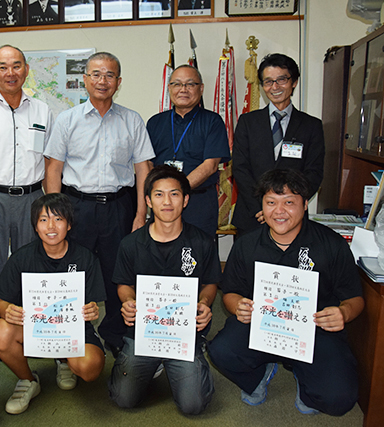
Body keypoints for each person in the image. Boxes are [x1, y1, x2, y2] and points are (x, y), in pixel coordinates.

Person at [208, 169, 363, 416]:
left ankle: (304, 374)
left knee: (339, 399)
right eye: (271, 203)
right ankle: (260, 374)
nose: (279, 211)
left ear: (304, 204)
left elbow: (355, 297)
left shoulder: (331, 244)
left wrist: (343, 312)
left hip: (314, 331)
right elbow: (230, 292)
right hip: (263, 327)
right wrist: (237, 305)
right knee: (220, 350)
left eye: (289, 202)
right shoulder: (247, 244)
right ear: (262, 206)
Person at [44, 52, 155, 355]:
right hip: (75, 206)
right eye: (96, 74)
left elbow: (143, 168)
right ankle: (72, 337)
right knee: (72, 272)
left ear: (118, 82)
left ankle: (116, 336)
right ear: (85, 80)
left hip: (119, 206)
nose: (102, 81)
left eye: (109, 75)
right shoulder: (67, 120)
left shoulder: (132, 120)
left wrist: (141, 212)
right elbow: (53, 167)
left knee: (117, 274)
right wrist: (55, 214)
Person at [108, 165, 219, 414]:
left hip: (184, 334)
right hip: (143, 333)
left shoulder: (201, 242)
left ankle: (187, 363)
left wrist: (204, 302)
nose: (166, 202)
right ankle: (152, 367)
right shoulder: (131, 244)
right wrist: (128, 301)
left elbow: (211, 282)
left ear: (186, 199)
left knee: (194, 405)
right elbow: (123, 284)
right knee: (122, 399)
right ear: (147, 200)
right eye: (158, 194)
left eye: (174, 194)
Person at [0, 45, 53, 361]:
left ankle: (30, 329)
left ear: (26, 70)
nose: (10, 72)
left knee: (31, 263)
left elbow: (49, 159)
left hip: (32, 197)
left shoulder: (42, 110)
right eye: (2, 67)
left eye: (16, 66)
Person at [0, 193, 106, 414]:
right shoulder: (21, 257)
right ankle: (28, 380)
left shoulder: (85, 258)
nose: (51, 226)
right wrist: (9, 311)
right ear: (35, 226)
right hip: (36, 329)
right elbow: (1, 304)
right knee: (1, 331)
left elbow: (92, 303)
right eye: (43, 220)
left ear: (69, 224)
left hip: (72, 331)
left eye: (58, 219)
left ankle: (65, 361)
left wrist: (92, 309)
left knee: (89, 368)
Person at [232, 53, 325, 236]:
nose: (274, 87)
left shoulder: (311, 125)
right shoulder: (248, 122)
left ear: (294, 82)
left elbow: (314, 172)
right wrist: (263, 206)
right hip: (253, 215)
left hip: (292, 218)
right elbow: (240, 168)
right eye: (268, 81)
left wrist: (286, 206)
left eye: (281, 80)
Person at [146, 64, 230, 239]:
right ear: (169, 88)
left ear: (201, 89)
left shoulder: (212, 121)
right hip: (163, 204)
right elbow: (147, 163)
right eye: (177, 84)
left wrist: (177, 191)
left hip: (198, 202)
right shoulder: (155, 123)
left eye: (190, 84)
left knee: (199, 254)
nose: (183, 89)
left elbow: (210, 166)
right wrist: (164, 195)